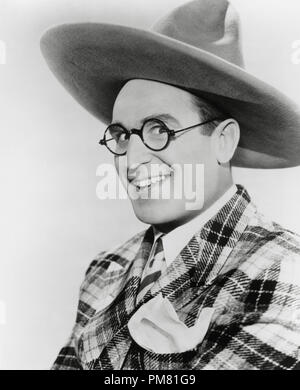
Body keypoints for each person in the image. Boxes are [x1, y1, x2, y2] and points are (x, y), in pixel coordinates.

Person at [40, 0, 300, 370]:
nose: (131, 161)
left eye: (158, 130)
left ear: (223, 140)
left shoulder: (284, 269)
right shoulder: (106, 269)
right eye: (121, 135)